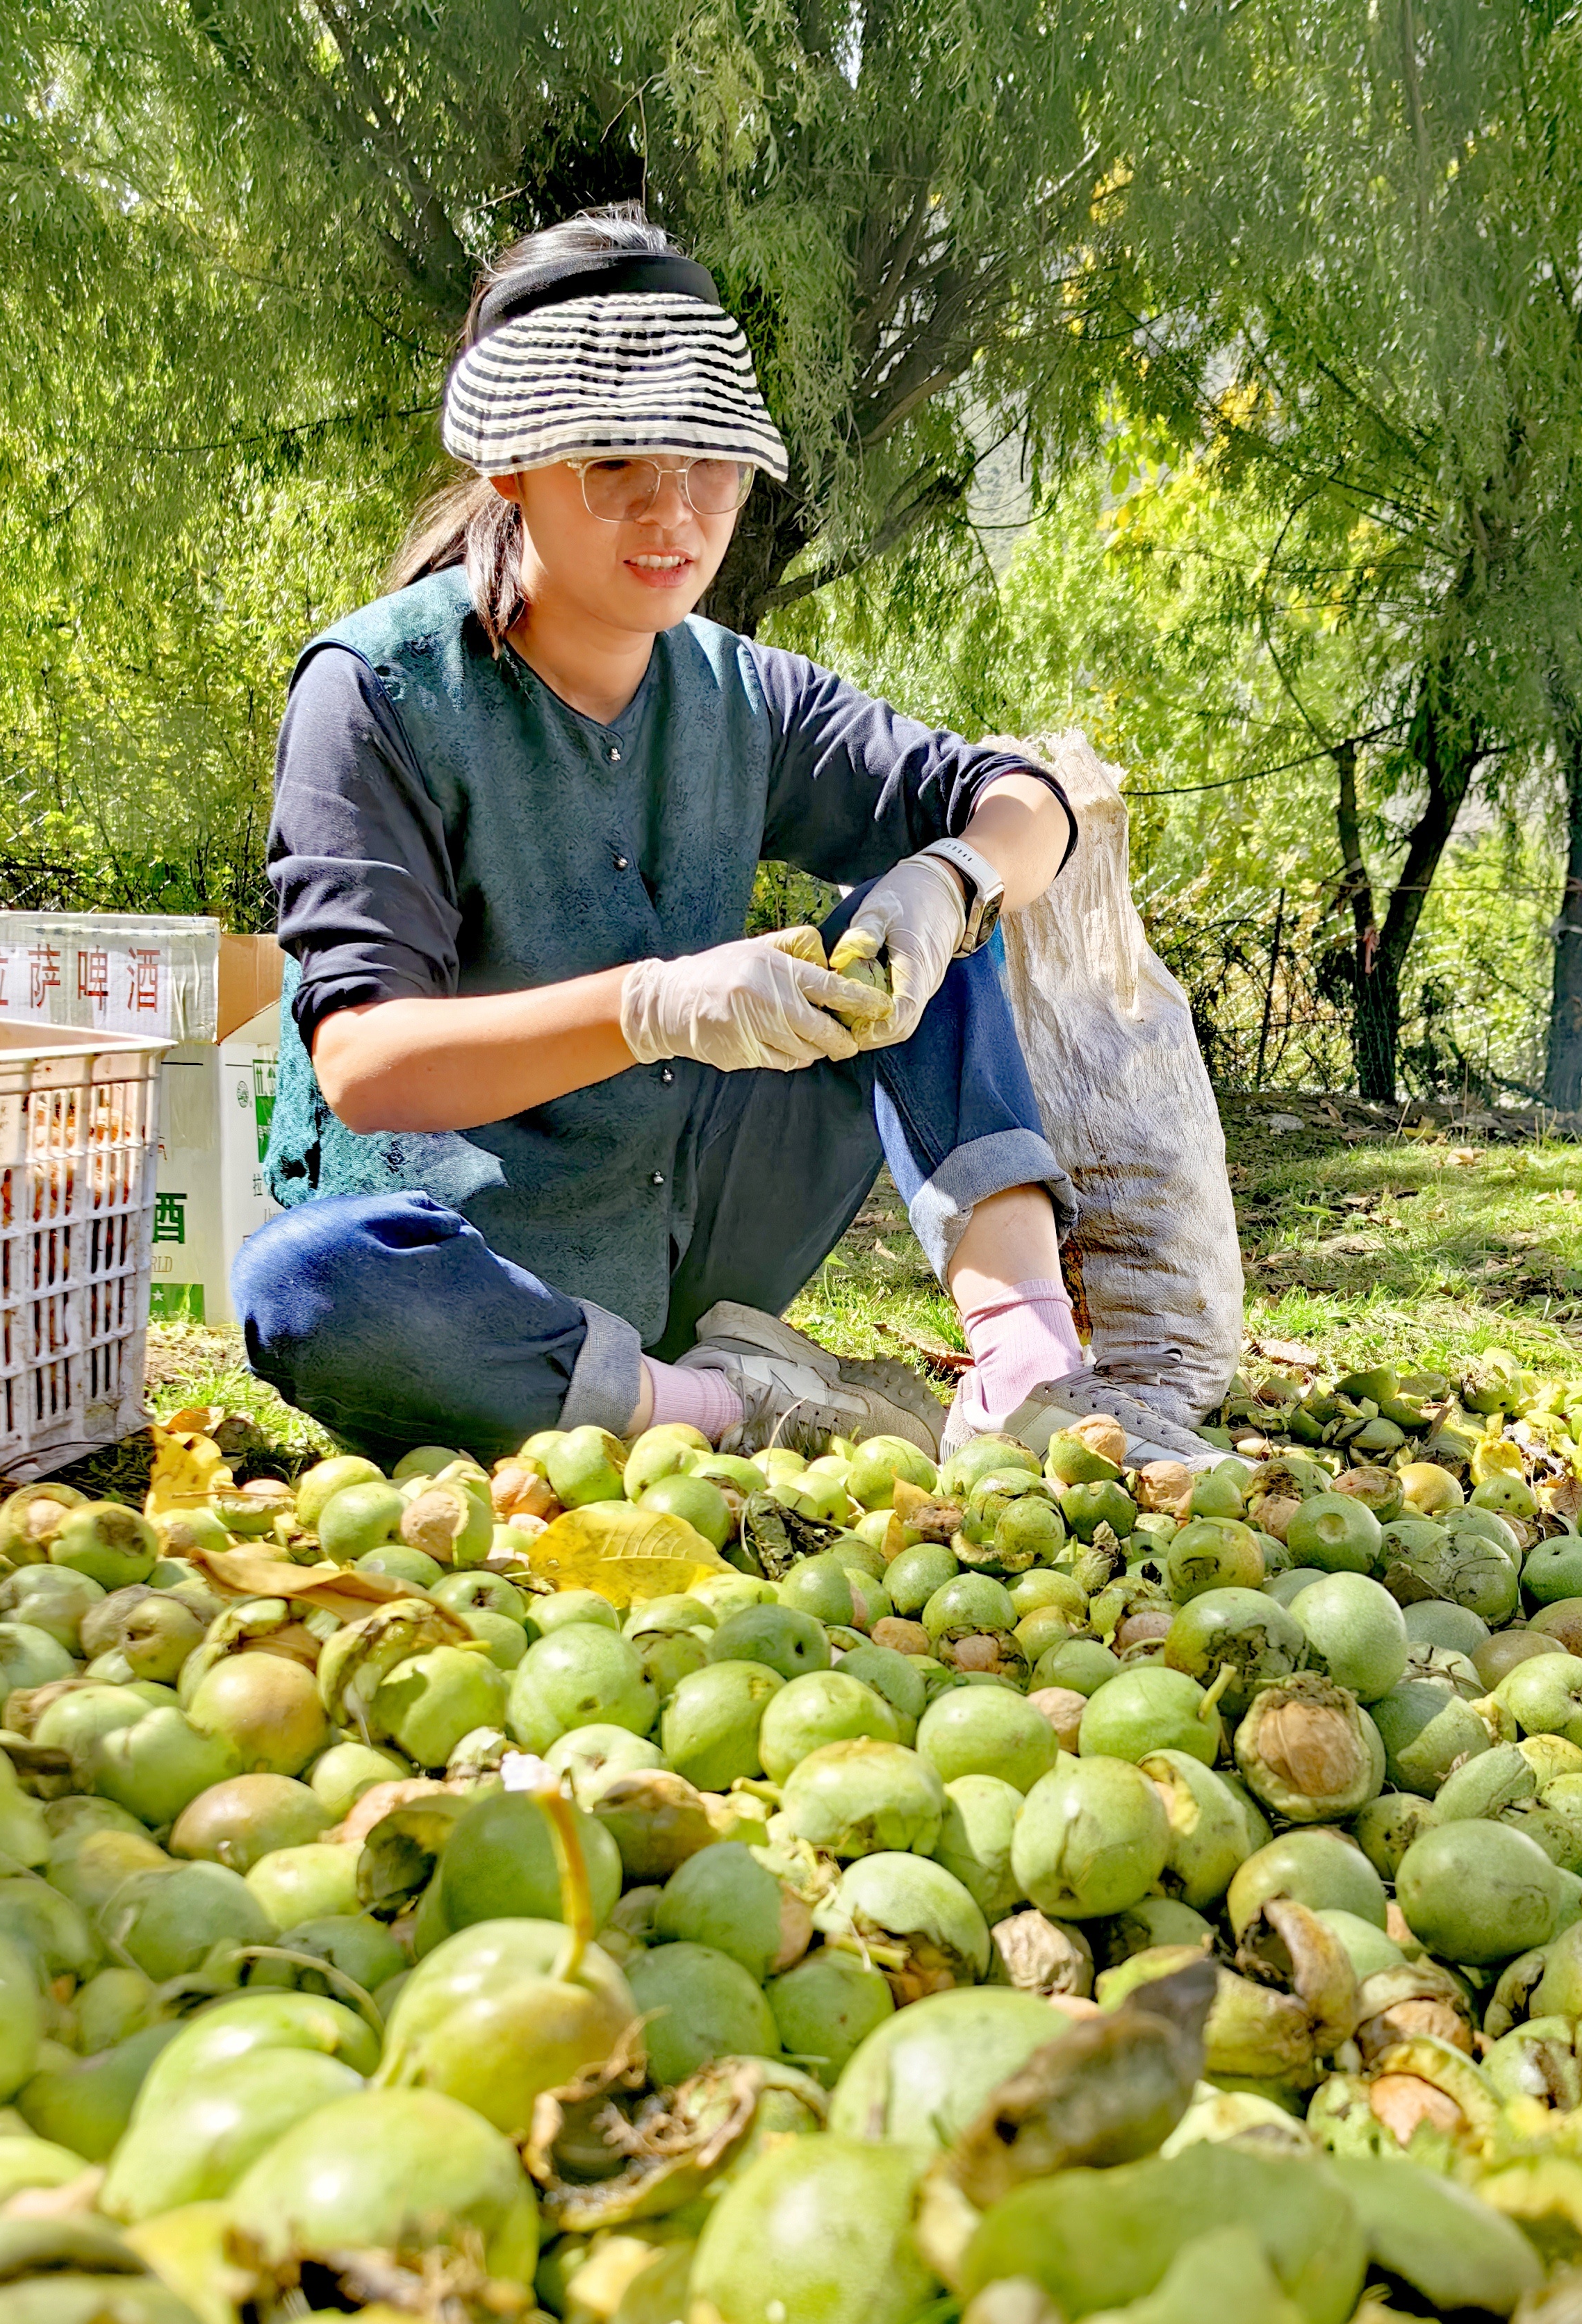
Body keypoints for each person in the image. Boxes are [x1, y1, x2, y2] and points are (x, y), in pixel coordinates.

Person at [233, 204, 1216, 1467]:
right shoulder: (373, 695)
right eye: (615, 467)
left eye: (709, 467)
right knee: (303, 1285)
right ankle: (714, 1405)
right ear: (513, 468)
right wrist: (655, 1005)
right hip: (464, 1271)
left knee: (925, 906)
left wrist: (956, 874)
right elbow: (368, 1061)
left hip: (693, 1215)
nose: (674, 515)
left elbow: (1029, 804)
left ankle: (1025, 1365)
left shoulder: (747, 694)